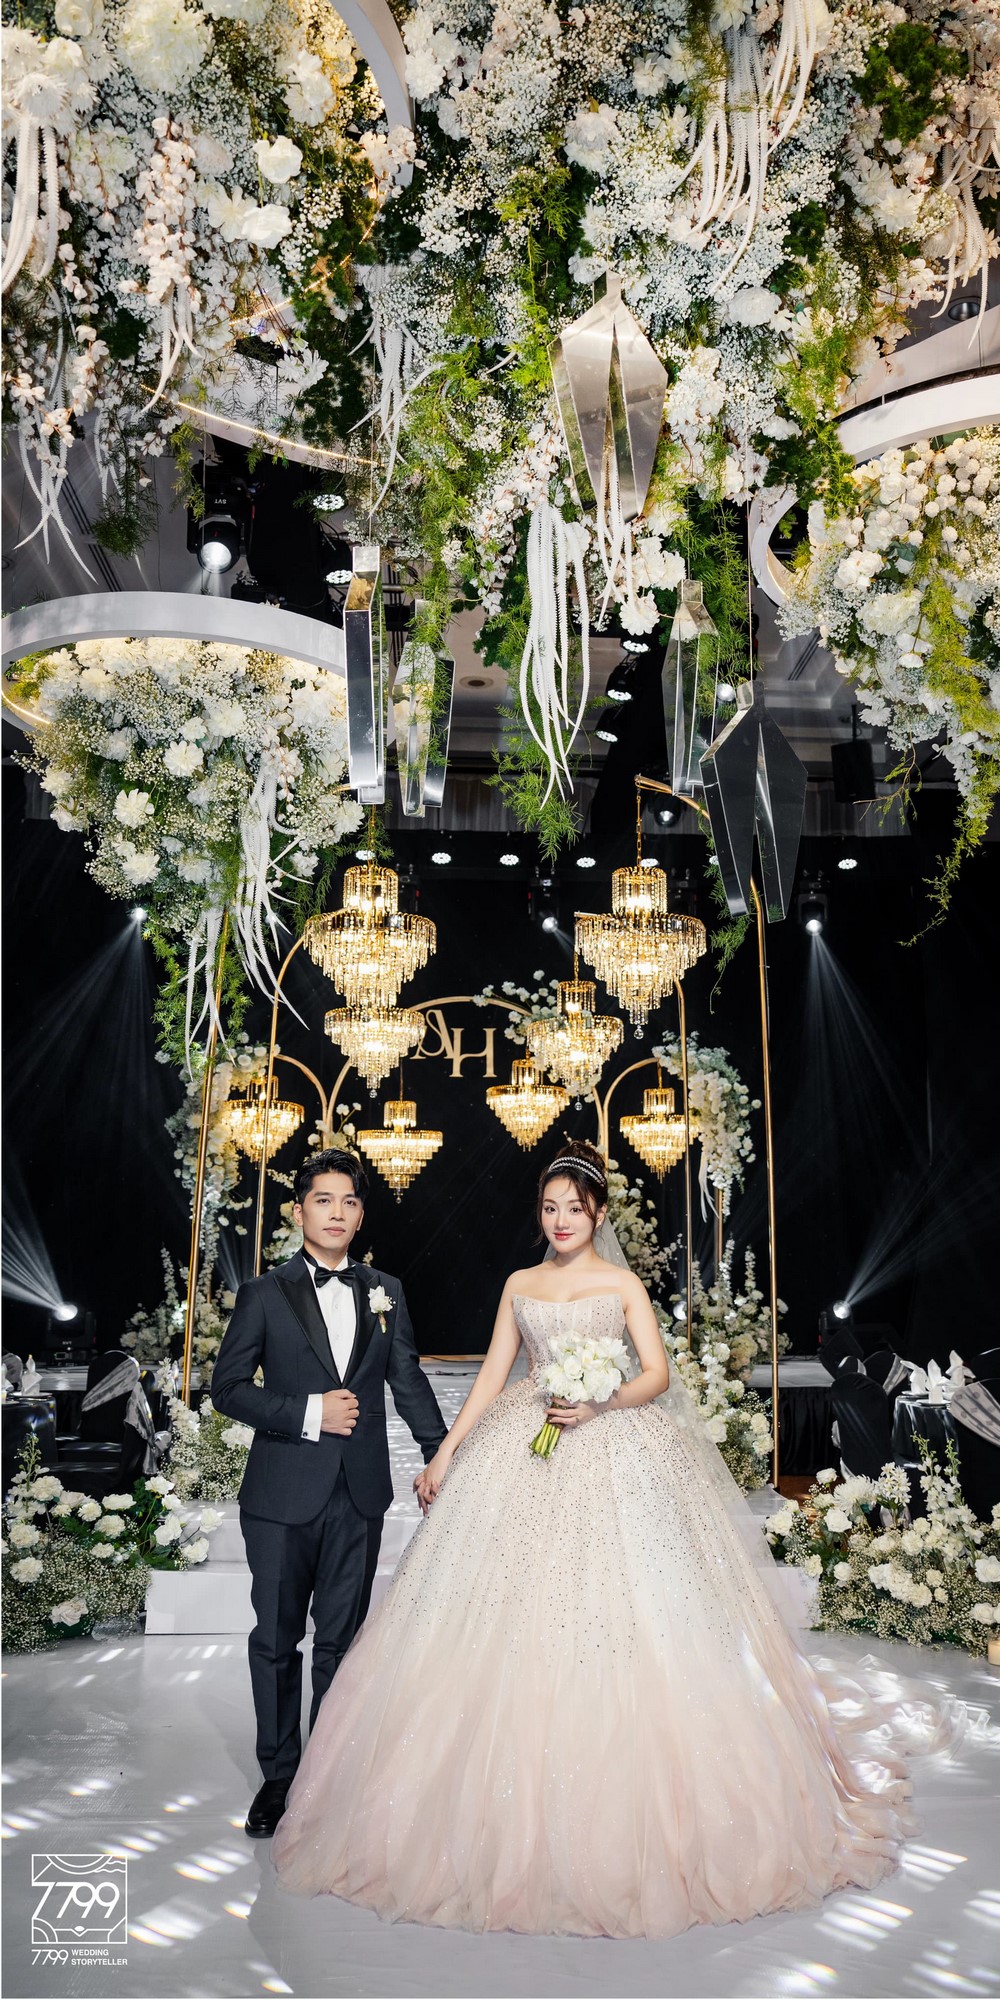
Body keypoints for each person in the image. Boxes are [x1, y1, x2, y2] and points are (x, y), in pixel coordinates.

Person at [271, 1141, 955, 1937]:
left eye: (574, 1208)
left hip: (613, 1441)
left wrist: (600, 1401)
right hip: (525, 1442)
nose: (560, 1221)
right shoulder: (520, 1284)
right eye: (549, 1208)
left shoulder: (622, 1284)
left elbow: (656, 1374)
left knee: (633, 1608)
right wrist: (448, 1453)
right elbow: (493, 1376)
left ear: (598, 1214)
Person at [211, 1148, 447, 1839]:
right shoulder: (264, 1294)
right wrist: (310, 1412)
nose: (337, 1212)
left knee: (341, 1644)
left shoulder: (385, 1290)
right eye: (323, 1200)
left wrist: (442, 1454)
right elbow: (227, 1390)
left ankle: (328, 1777)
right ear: (299, 1211)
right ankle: (279, 1779)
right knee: (276, 1641)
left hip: (360, 1494)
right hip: (281, 1495)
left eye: (349, 1201)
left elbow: (406, 1379)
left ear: (361, 1214)